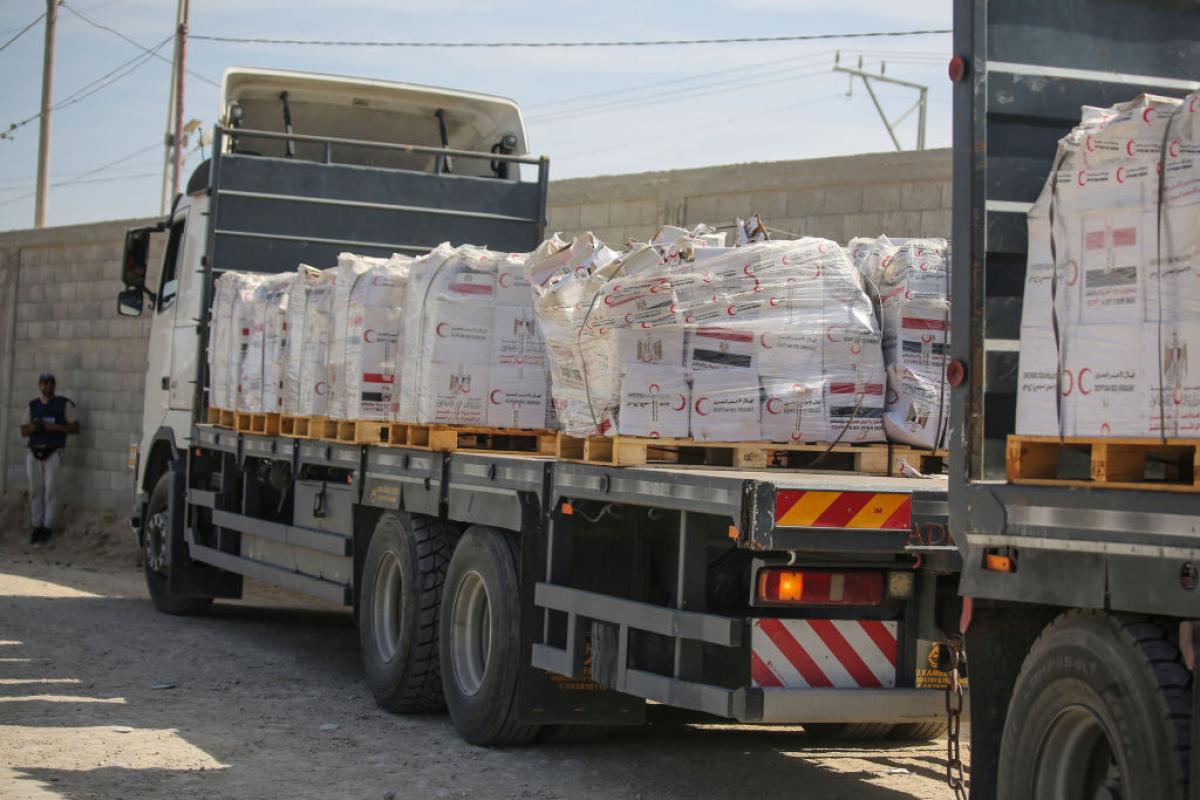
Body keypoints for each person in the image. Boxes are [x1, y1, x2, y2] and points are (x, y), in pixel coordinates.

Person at [18, 373, 79, 544]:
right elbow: (23, 431)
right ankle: (36, 526)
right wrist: (34, 427)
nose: (47, 387)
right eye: (44, 384)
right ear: (39, 386)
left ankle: (47, 526)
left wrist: (53, 427)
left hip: (53, 452)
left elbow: (75, 427)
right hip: (34, 452)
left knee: (51, 491)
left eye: (50, 384)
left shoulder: (63, 405)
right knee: (35, 491)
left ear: (54, 386)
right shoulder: (33, 406)